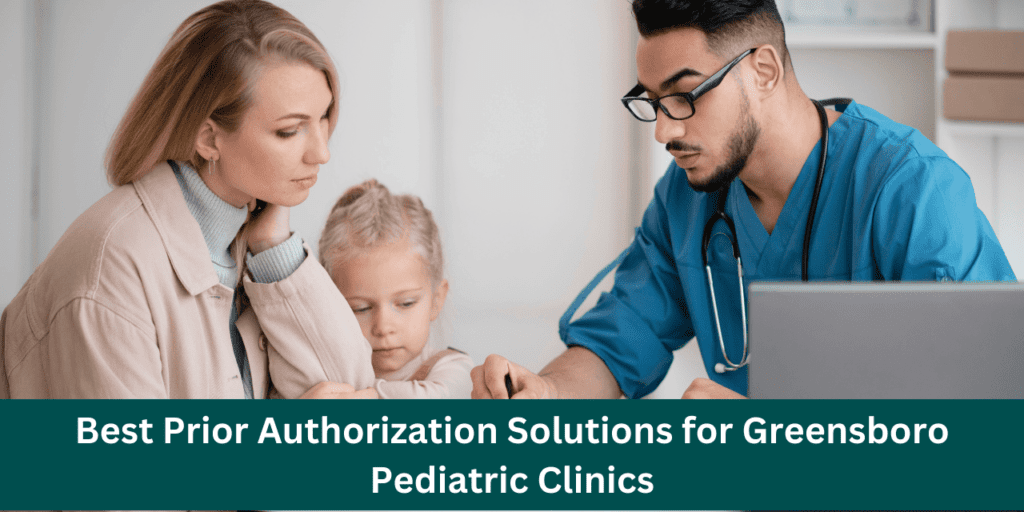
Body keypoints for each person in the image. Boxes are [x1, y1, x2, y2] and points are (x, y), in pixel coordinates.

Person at [471, 0, 1016, 400]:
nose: (662, 131)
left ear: (764, 71)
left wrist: (775, 443)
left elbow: (982, 411)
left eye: (684, 97)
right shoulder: (687, 198)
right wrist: (545, 393)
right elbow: (618, 344)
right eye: (654, 102)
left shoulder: (913, 190)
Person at [0, 0, 377, 399]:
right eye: (289, 131)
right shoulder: (112, 267)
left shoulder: (247, 242)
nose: (322, 153)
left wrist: (276, 255)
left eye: (323, 118)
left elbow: (352, 399)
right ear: (209, 138)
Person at [319, 179, 472, 399]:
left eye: (406, 303)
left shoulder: (455, 368)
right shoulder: (324, 371)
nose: (383, 327)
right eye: (360, 308)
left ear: (436, 299)